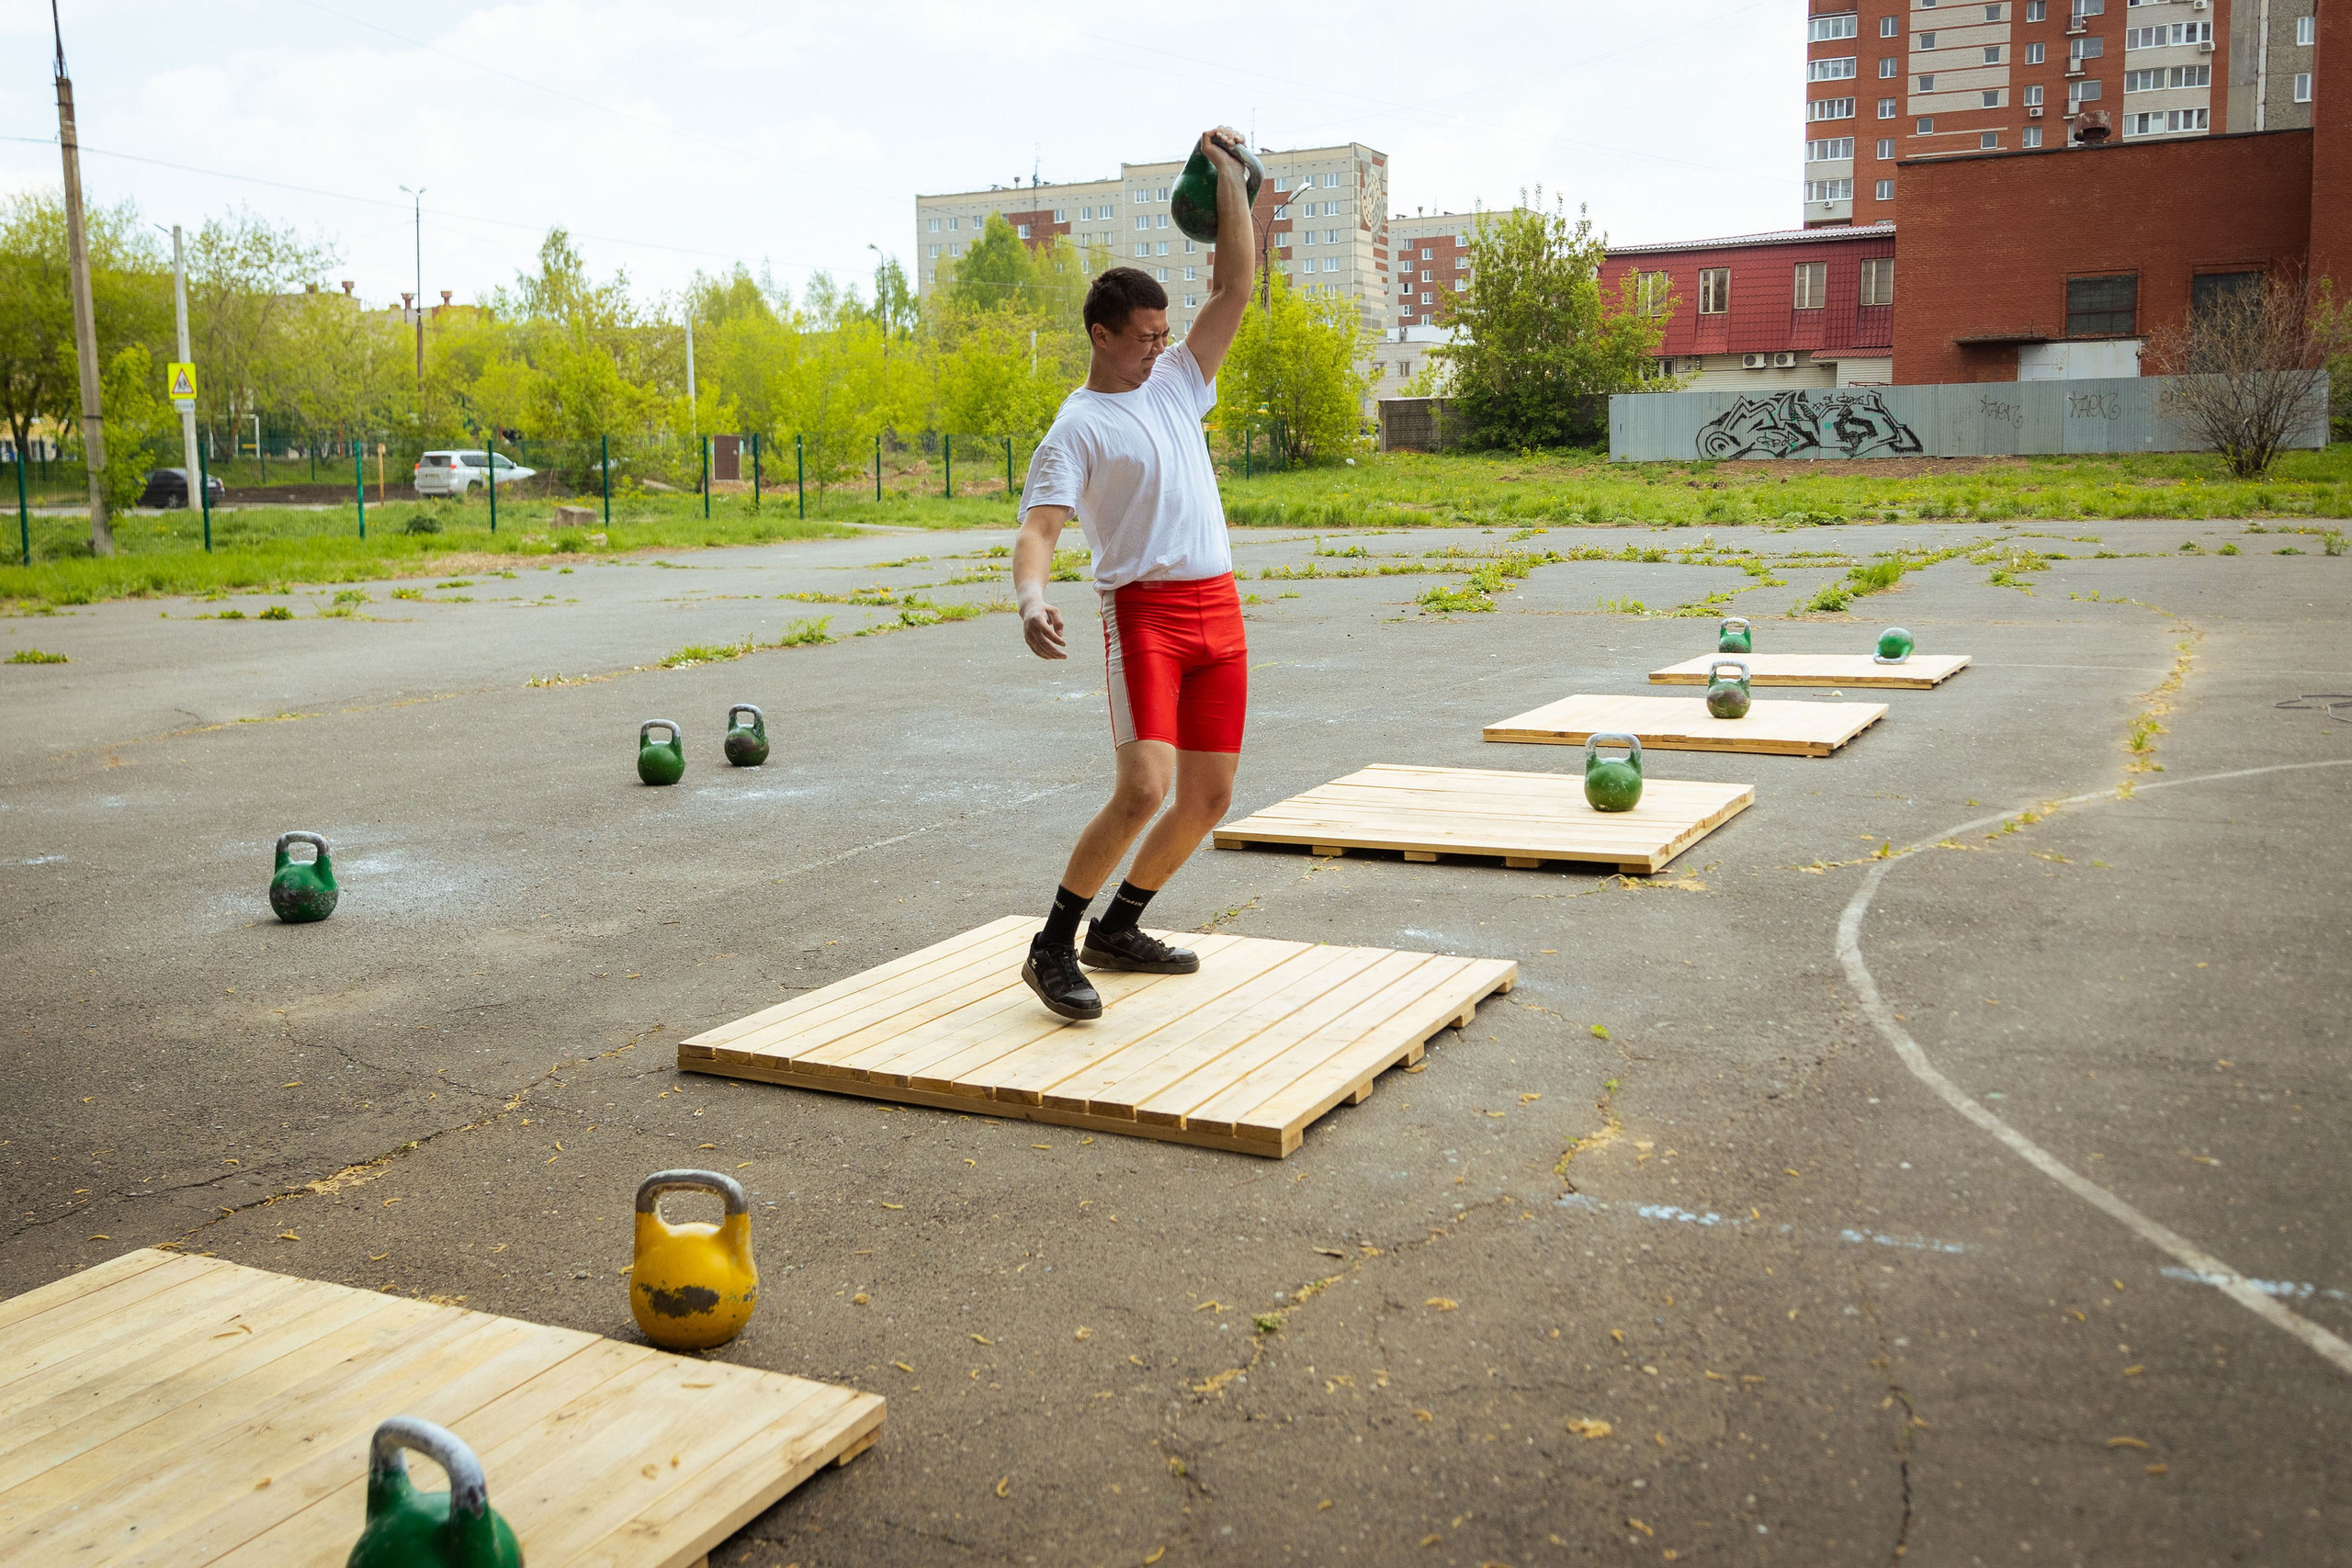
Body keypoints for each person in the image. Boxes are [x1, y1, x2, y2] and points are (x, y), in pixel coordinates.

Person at [1011, 126, 1257, 1021]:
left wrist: (1229, 177)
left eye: (1164, 333)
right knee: (1145, 788)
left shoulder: (1180, 381)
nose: (1160, 346)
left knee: (1209, 797)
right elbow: (1040, 528)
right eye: (1144, 336)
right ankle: (1052, 946)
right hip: (1145, 615)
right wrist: (1032, 596)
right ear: (1099, 332)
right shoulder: (1074, 427)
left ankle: (1120, 929)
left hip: (1218, 612)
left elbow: (1235, 284)